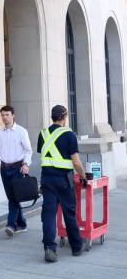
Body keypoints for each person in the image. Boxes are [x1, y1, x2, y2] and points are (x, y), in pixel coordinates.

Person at [38, 105, 90, 263]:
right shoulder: (69, 135)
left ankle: (49, 249)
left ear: (52, 117)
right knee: (69, 213)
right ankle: (77, 246)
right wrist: (83, 176)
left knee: (48, 214)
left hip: (47, 180)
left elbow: (45, 155)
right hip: (64, 181)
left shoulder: (43, 134)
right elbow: (76, 162)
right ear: (65, 117)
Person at [0, 105, 33, 237]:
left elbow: (28, 150)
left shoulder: (21, 131)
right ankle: (22, 223)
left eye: (7, 115)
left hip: (18, 168)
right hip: (4, 168)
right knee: (12, 197)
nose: (5, 117)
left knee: (14, 197)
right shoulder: (0, 133)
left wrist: (26, 164)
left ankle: (11, 225)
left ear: (13, 116)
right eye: (3, 115)